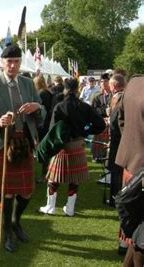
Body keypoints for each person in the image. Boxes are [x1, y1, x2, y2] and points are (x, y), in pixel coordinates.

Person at [0, 45, 45, 253]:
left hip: (23, 142)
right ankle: (7, 231)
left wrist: (37, 107)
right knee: (6, 194)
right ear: (2, 63)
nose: (13, 65)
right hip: (2, 142)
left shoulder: (27, 83)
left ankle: (16, 221)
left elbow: (41, 110)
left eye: (16, 61)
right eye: (9, 62)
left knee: (27, 192)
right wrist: (0, 121)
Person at [39, 78, 106, 217]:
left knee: (53, 178)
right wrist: (86, 130)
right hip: (78, 144)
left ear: (64, 89)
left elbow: (52, 130)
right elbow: (100, 125)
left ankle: (50, 207)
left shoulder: (59, 107)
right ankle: (70, 209)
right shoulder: (85, 106)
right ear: (77, 90)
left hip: (62, 146)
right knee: (74, 179)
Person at [115, 75, 144, 266]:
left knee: (138, 230)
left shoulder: (134, 82)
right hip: (140, 169)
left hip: (130, 164)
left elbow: (121, 120)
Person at [107, 74, 126, 207]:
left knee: (116, 170)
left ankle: (115, 199)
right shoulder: (127, 96)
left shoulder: (118, 97)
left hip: (118, 139)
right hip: (125, 139)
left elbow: (114, 122)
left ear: (114, 86)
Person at [33, 75, 55, 182]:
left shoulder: (42, 93)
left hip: (44, 125)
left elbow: (41, 112)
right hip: (48, 124)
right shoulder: (49, 92)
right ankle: (46, 173)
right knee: (46, 150)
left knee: (44, 150)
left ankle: (44, 175)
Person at [91, 73, 112, 162]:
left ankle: (108, 157)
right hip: (100, 122)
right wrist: (103, 113)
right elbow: (93, 110)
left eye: (106, 81)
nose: (103, 83)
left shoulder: (114, 96)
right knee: (99, 142)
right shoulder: (97, 96)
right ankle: (97, 157)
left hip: (111, 123)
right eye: (101, 81)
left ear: (110, 82)